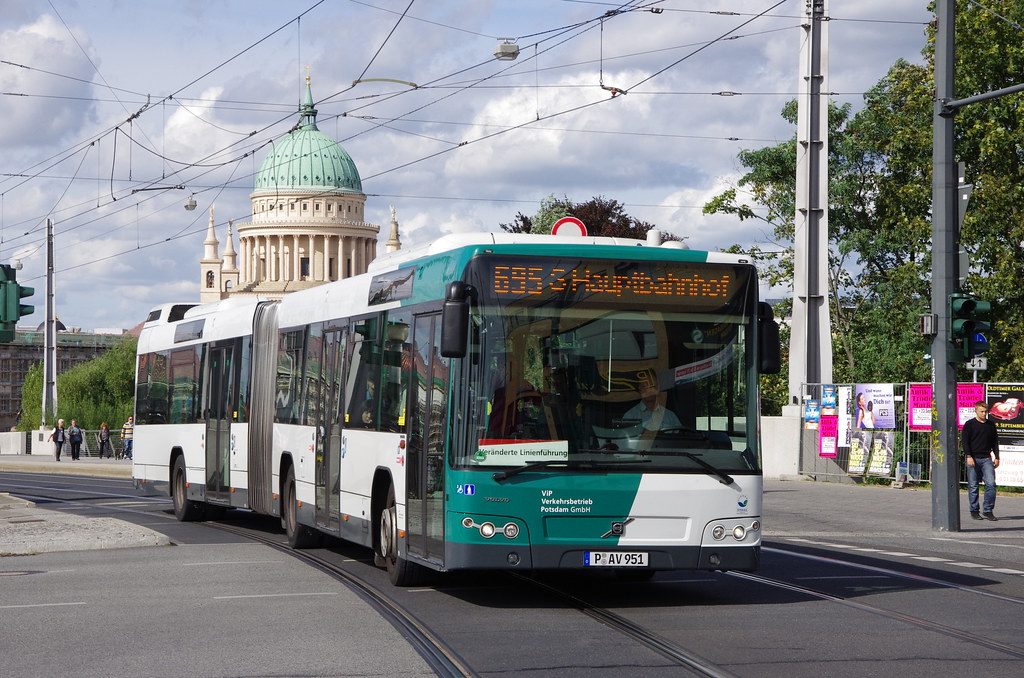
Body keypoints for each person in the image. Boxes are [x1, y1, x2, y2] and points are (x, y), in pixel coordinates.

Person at [961, 400, 1000, 521]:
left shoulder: (990, 425)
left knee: (991, 484)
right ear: (976, 411)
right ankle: (974, 510)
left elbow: (994, 442)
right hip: (973, 458)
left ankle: (988, 510)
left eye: (985, 411)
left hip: (986, 458)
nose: (984, 414)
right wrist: (968, 456)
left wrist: (997, 457)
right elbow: (965, 441)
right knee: (973, 486)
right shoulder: (970, 424)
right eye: (981, 411)